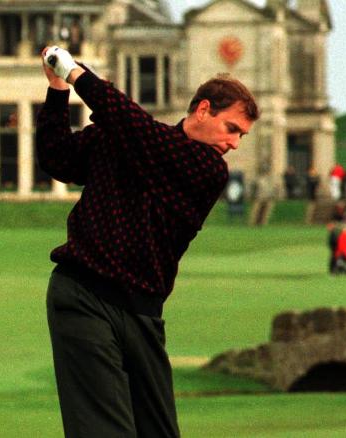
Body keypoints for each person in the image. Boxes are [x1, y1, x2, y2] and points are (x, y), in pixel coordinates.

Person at [37, 45, 258, 437]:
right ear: (203, 109)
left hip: (142, 313)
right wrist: (57, 91)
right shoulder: (128, 137)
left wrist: (76, 74)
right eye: (232, 129)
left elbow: (139, 132)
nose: (235, 144)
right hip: (83, 296)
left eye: (242, 135)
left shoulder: (206, 169)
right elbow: (57, 158)